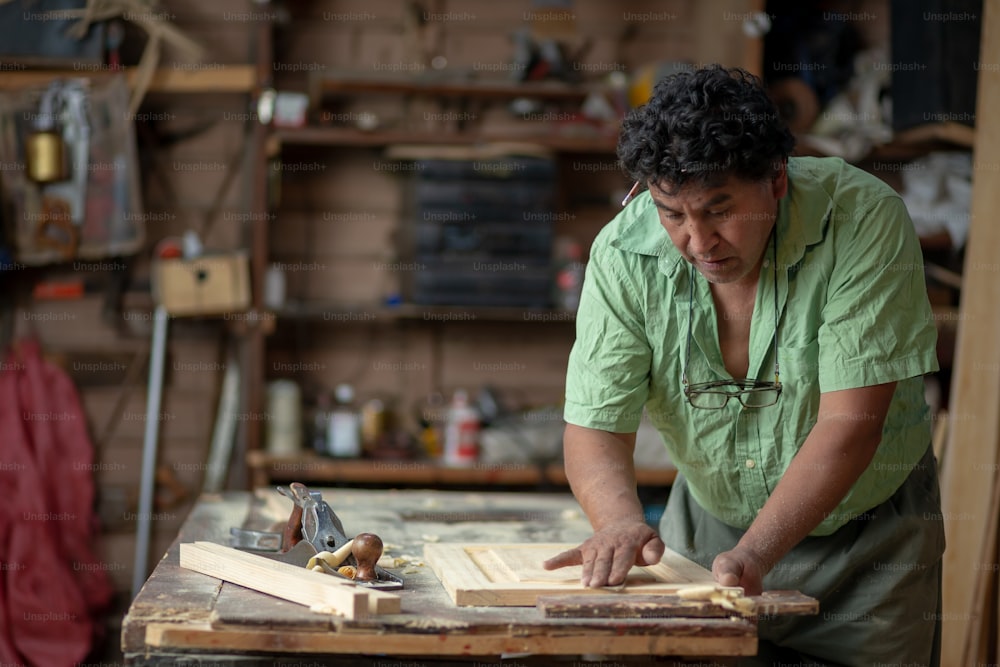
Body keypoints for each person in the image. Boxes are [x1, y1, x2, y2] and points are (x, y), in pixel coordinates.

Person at [543, 65, 944, 666]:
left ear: (776, 180)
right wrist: (619, 521)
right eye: (672, 214)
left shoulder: (862, 220)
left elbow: (851, 425)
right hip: (706, 530)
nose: (699, 241)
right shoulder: (624, 252)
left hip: (867, 544)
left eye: (719, 209)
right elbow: (597, 421)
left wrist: (758, 553)